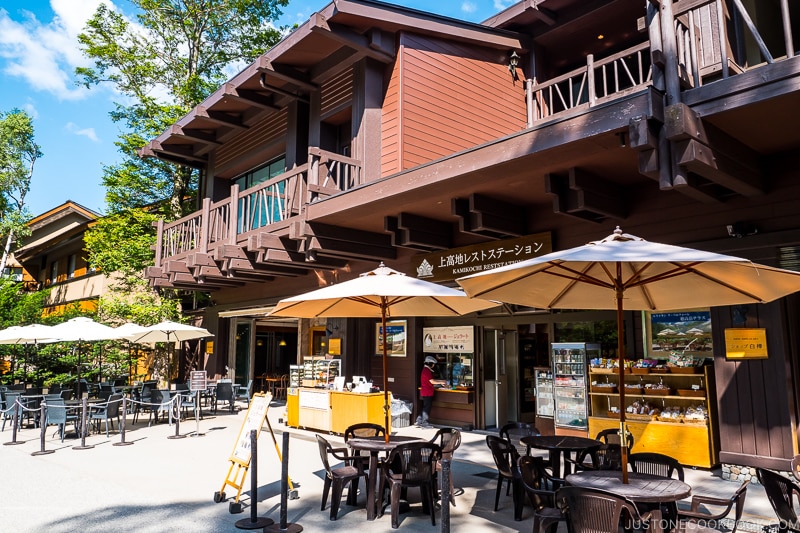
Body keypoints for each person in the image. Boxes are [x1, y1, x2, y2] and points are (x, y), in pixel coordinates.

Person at [416, 355, 446, 427]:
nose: (433, 365)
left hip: (425, 391)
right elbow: (432, 381)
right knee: (427, 408)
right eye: (433, 364)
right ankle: (425, 423)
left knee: (425, 406)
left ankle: (419, 420)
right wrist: (441, 382)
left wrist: (440, 381)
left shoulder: (425, 370)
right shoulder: (427, 371)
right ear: (430, 363)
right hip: (428, 392)